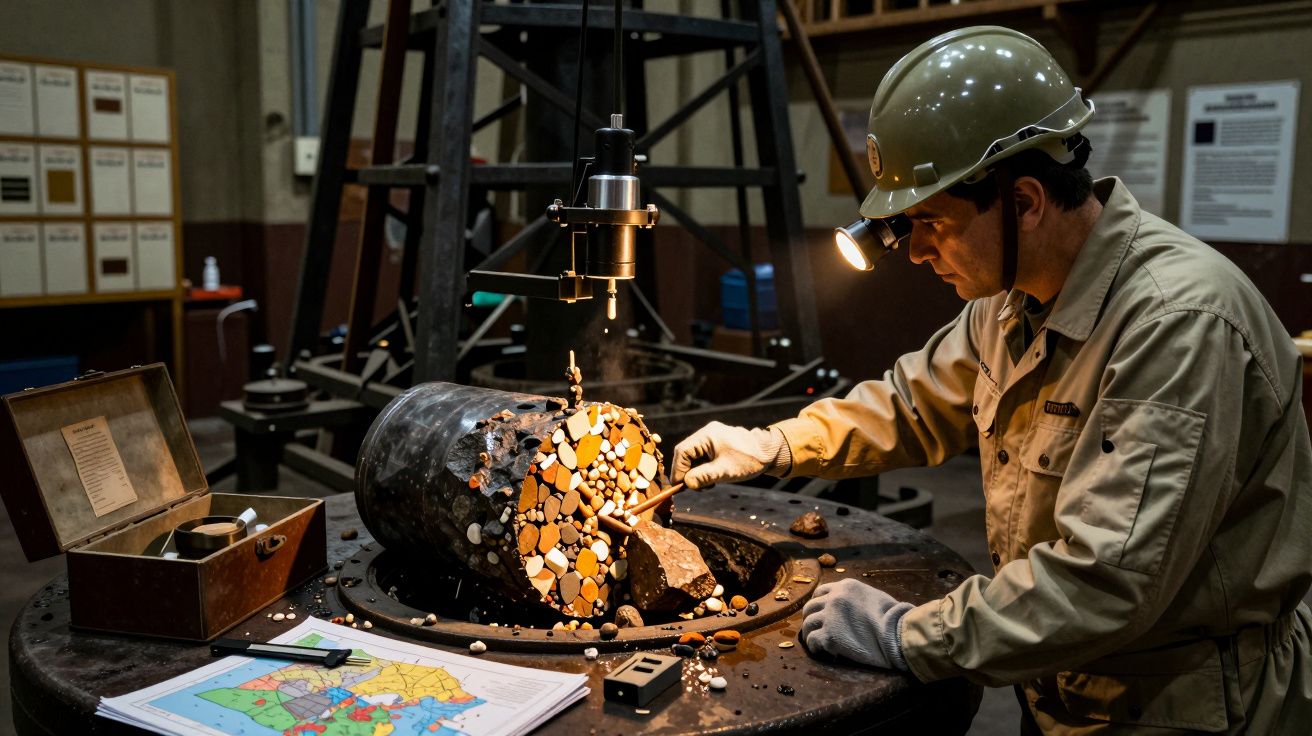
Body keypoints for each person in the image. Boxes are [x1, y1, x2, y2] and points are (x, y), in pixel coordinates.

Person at [671, 25, 1312, 734]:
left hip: (1186, 702)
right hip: (1060, 684)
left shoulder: (1176, 324)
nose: (916, 252)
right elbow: (912, 404)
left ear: (1027, 202)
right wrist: (772, 445)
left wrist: (909, 635)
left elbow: (1107, 580)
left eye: (930, 222)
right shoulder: (1011, 302)